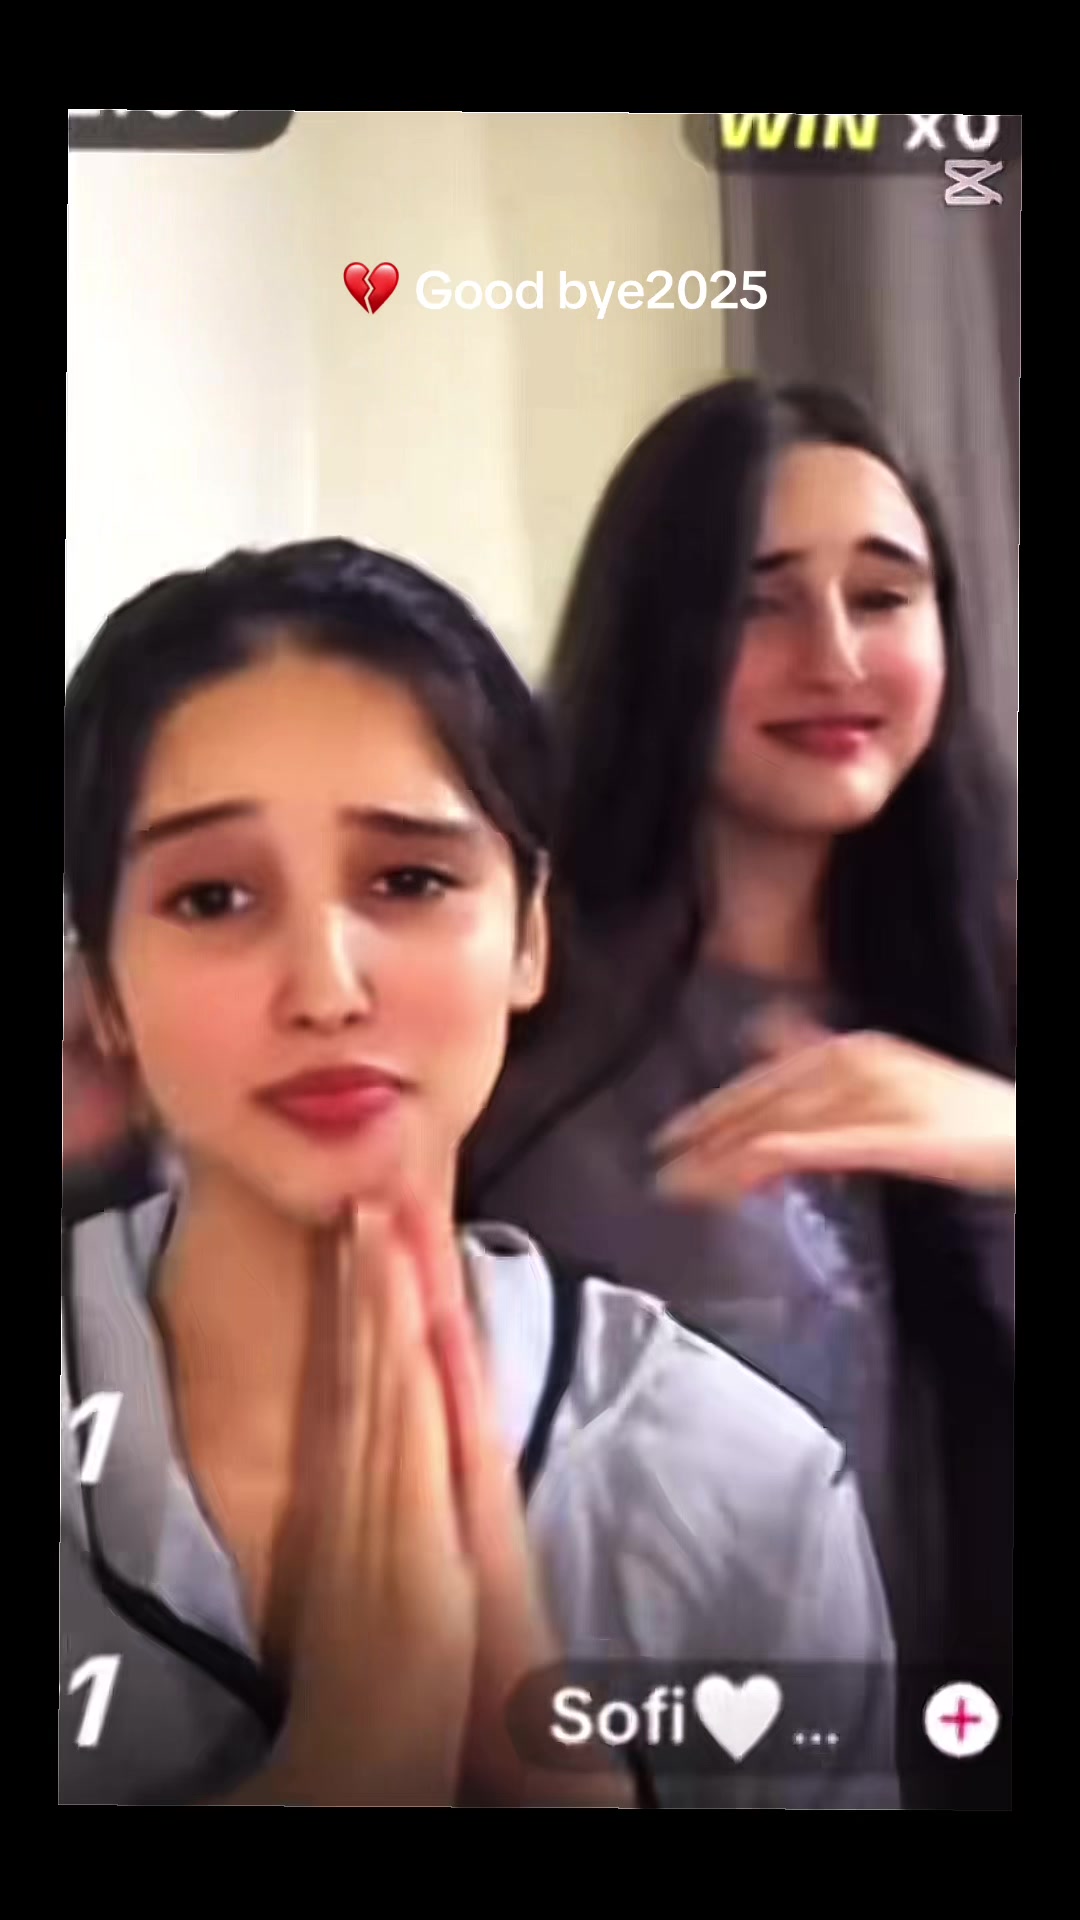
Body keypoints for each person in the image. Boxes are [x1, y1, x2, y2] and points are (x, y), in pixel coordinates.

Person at [60, 539, 896, 1809]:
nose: (327, 989)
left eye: (410, 879)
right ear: (106, 991)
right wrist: (348, 1765)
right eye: (213, 897)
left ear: (528, 935)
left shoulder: (747, 1484)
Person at [460, 382, 1015, 1810]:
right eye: (758, 603)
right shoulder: (506, 1014)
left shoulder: (992, 967)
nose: (837, 656)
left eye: (884, 596)